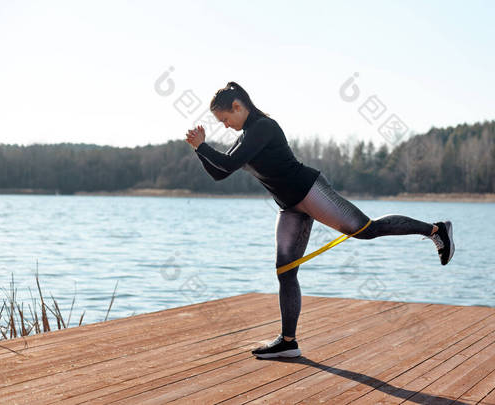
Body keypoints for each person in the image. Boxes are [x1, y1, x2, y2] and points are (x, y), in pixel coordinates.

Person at [185, 81, 455, 359]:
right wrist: (199, 150)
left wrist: (202, 146)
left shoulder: (263, 127)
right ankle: (288, 341)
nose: (226, 126)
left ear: (238, 106)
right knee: (285, 270)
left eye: (225, 119)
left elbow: (227, 164)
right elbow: (220, 173)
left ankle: (436, 229)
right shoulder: (244, 137)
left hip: (310, 190)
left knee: (366, 230)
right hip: (289, 206)